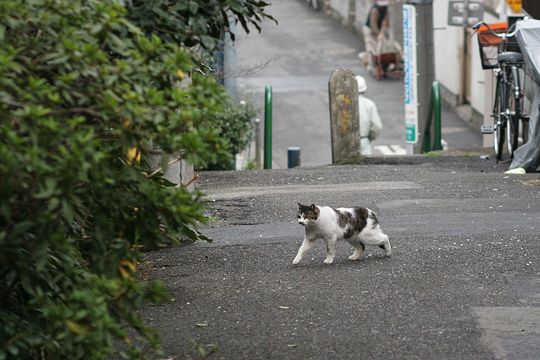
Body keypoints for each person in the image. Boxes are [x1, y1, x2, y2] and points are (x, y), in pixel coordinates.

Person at [356, 76, 383, 155]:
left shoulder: (344, 104)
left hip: (347, 142)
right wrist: (369, 138)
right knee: (365, 165)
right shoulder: (369, 104)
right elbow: (377, 126)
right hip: (363, 140)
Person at [360, 0, 389, 70]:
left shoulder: (385, 9)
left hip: (378, 28)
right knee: (370, 46)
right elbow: (373, 25)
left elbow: (385, 23)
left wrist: (382, 31)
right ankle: (368, 64)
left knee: (382, 44)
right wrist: (378, 34)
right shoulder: (375, 10)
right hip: (368, 29)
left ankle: (380, 60)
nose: (383, 7)